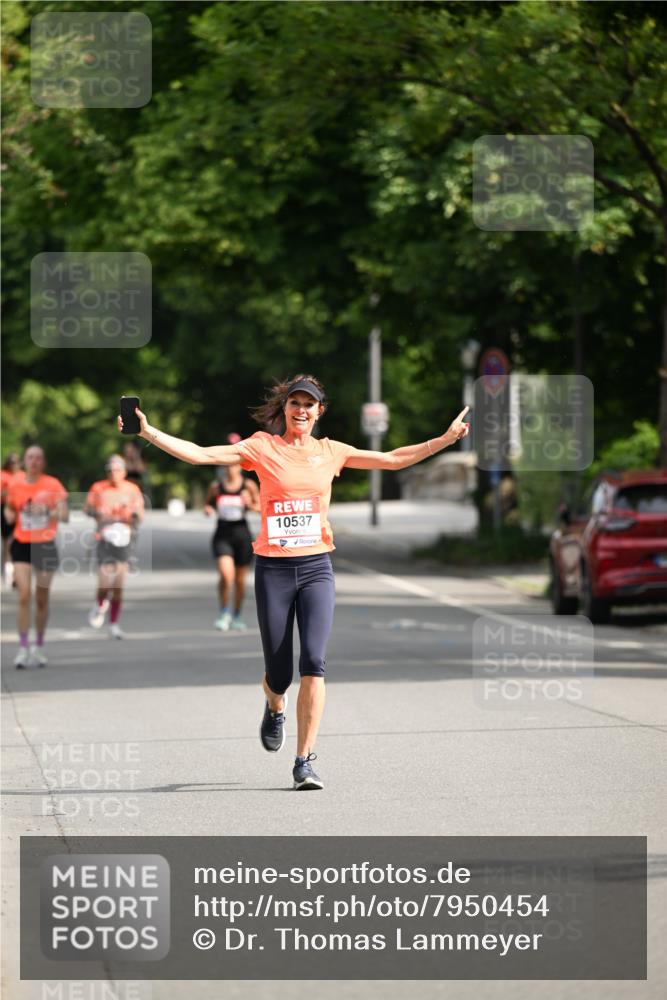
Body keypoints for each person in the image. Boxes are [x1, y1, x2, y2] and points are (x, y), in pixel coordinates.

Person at [118, 375, 469, 790]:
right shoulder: (262, 447)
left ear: (319, 411)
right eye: (295, 403)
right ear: (285, 409)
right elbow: (200, 454)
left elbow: (392, 459)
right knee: (280, 673)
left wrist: (444, 440)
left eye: (309, 404)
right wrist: (148, 432)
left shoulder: (332, 452)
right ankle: (275, 706)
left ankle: (304, 761)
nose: (301, 410)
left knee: (314, 664)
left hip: (317, 568)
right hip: (275, 571)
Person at [3, 445, 68, 668]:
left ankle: (38, 646)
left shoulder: (52, 485)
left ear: (43, 462)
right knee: (23, 596)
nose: (34, 461)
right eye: (30, 457)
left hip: (45, 545)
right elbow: (10, 508)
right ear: (24, 461)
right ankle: (23, 648)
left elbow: (64, 514)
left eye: (38, 458)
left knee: (41, 599)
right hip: (22, 543)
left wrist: (46, 511)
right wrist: (10, 515)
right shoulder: (16, 484)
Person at [204, 433, 260, 631]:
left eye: (235, 464)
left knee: (240, 580)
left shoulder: (248, 485)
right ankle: (223, 612)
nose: (231, 467)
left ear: (241, 465)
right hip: (222, 533)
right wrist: (208, 509)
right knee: (226, 575)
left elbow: (262, 507)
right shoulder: (216, 487)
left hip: (242, 534)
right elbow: (208, 505)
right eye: (228, 464)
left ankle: (237, 615)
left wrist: (250, 504)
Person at [84, 454, 145, 639]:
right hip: (104, 537)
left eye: (117, 469)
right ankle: (100, 603)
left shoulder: (132, 489)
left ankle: (113, 624)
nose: (113, 473)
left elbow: (140, 515)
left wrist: (133, 515)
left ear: (124, 472)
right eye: (109, 470)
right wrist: (98, 512)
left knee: (118, 585)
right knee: (104, 584)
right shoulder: (98, 488)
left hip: (124, 539)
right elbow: (87, 509)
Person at [1, 452, 22, 586]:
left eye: (17, 462)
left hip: (20, 509)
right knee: (7, 542)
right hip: (5, 508)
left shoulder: (22, 476)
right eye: (11, 462)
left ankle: (16, 573)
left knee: (16, 541)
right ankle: (8, 572)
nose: (14, 465)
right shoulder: (3, 475)